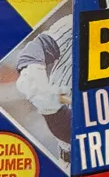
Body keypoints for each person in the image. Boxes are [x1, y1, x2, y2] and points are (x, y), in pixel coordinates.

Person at [14, 13, 73, 163]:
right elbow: (37, 48)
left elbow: (71, 133)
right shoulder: (75, 21)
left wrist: (51, 108)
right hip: (65, 159)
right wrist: (32, 70)